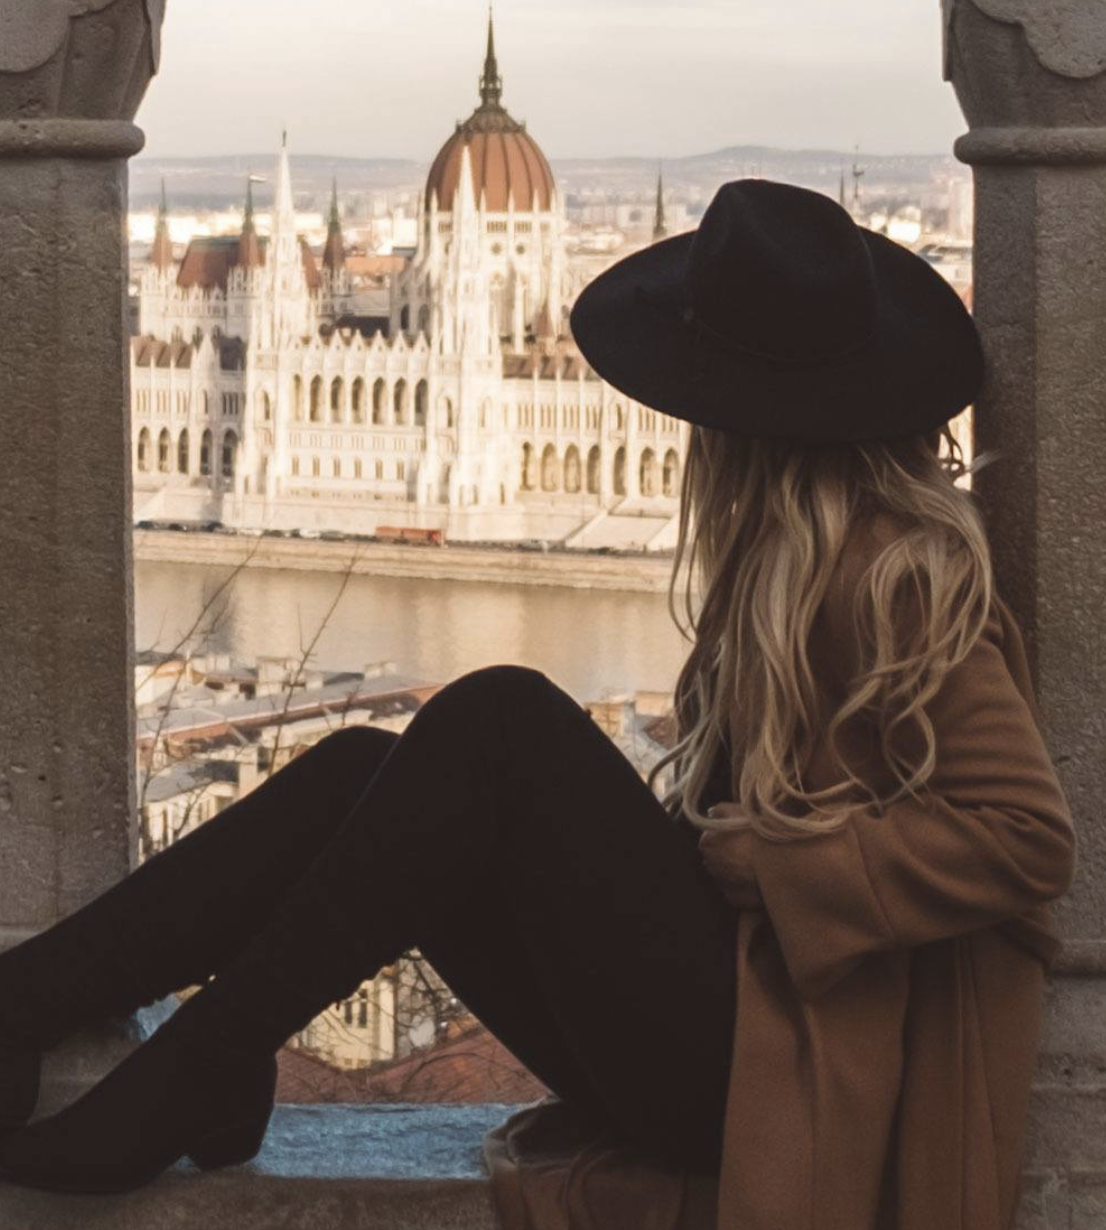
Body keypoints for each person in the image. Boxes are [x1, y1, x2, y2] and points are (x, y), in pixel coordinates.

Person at [0, 181, 1076, 1230]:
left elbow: (1025, 837)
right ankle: (35, 1004)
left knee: (499, 718)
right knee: (363, 771)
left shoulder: (899, 574)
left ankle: (196, 1064)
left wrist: (772, 860)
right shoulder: (789, 568)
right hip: (729, 1033)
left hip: (782, 1067)